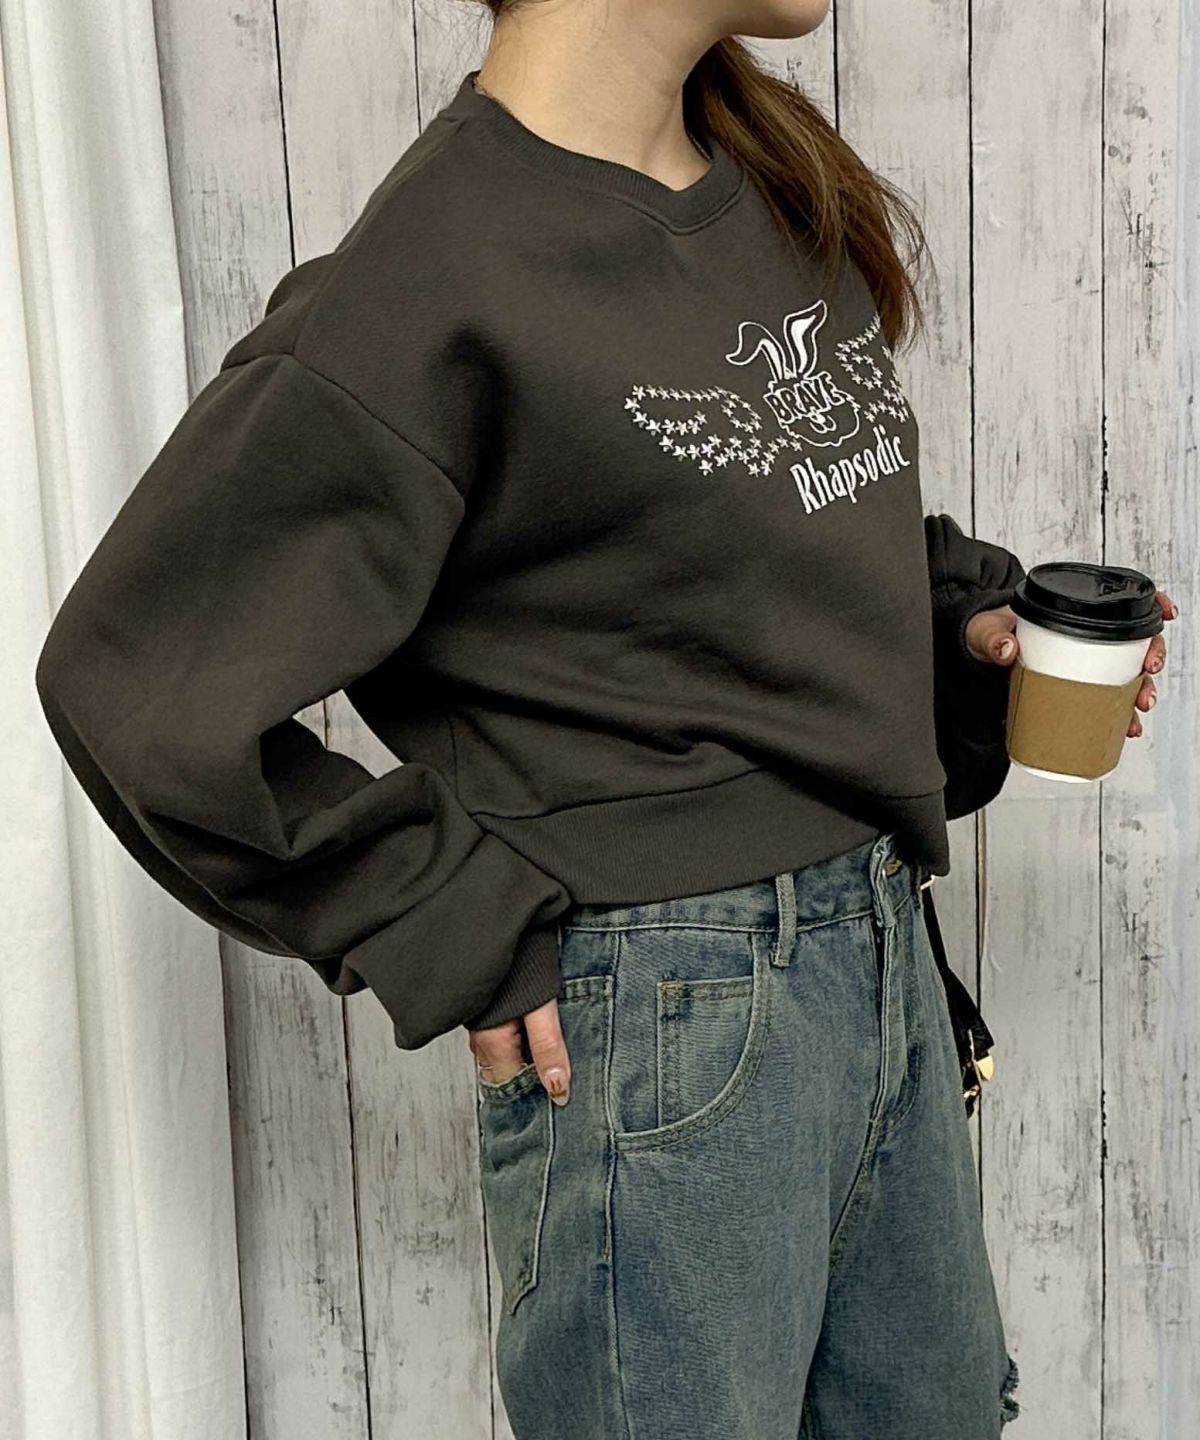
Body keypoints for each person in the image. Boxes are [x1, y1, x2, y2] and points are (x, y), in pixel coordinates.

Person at [35, 0, 1175, 1435]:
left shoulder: (759, 182)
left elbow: (752, 547)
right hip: (672, 1018)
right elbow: (139, 683)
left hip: (878, 961)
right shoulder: (433, 274)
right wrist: (443, 916)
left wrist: (963, 636)